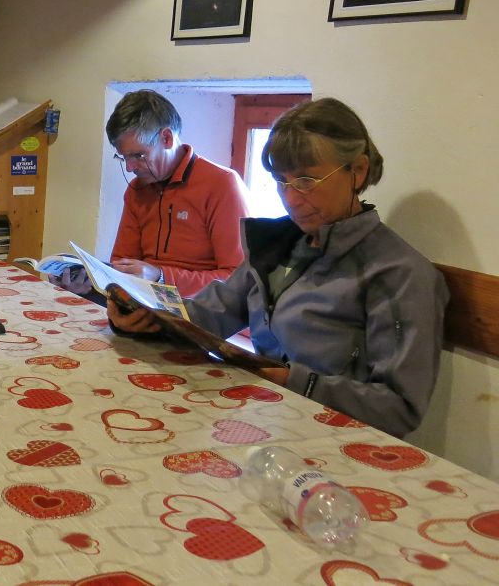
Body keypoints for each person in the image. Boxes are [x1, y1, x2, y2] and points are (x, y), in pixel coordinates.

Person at [108, 97, 448, 438]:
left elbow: (401, 409)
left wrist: (296, 381)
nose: (291, 199)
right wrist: (145, 319)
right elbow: (212, 313)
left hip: (338, 443)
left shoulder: (400, 273)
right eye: (281, 181)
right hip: (268, 421)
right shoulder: (280, 243)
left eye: (306, 181)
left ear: (357, 171)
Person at [106, 90, 250, 297]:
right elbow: (122, 265)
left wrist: (162, 277)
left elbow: (239, 279)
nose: (130, 168)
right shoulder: (137, 190)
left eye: (138, 155)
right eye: (124, 158)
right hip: (144, 307)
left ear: (166, 138)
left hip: (204, 314)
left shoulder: (222, 184)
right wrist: (87, 284)